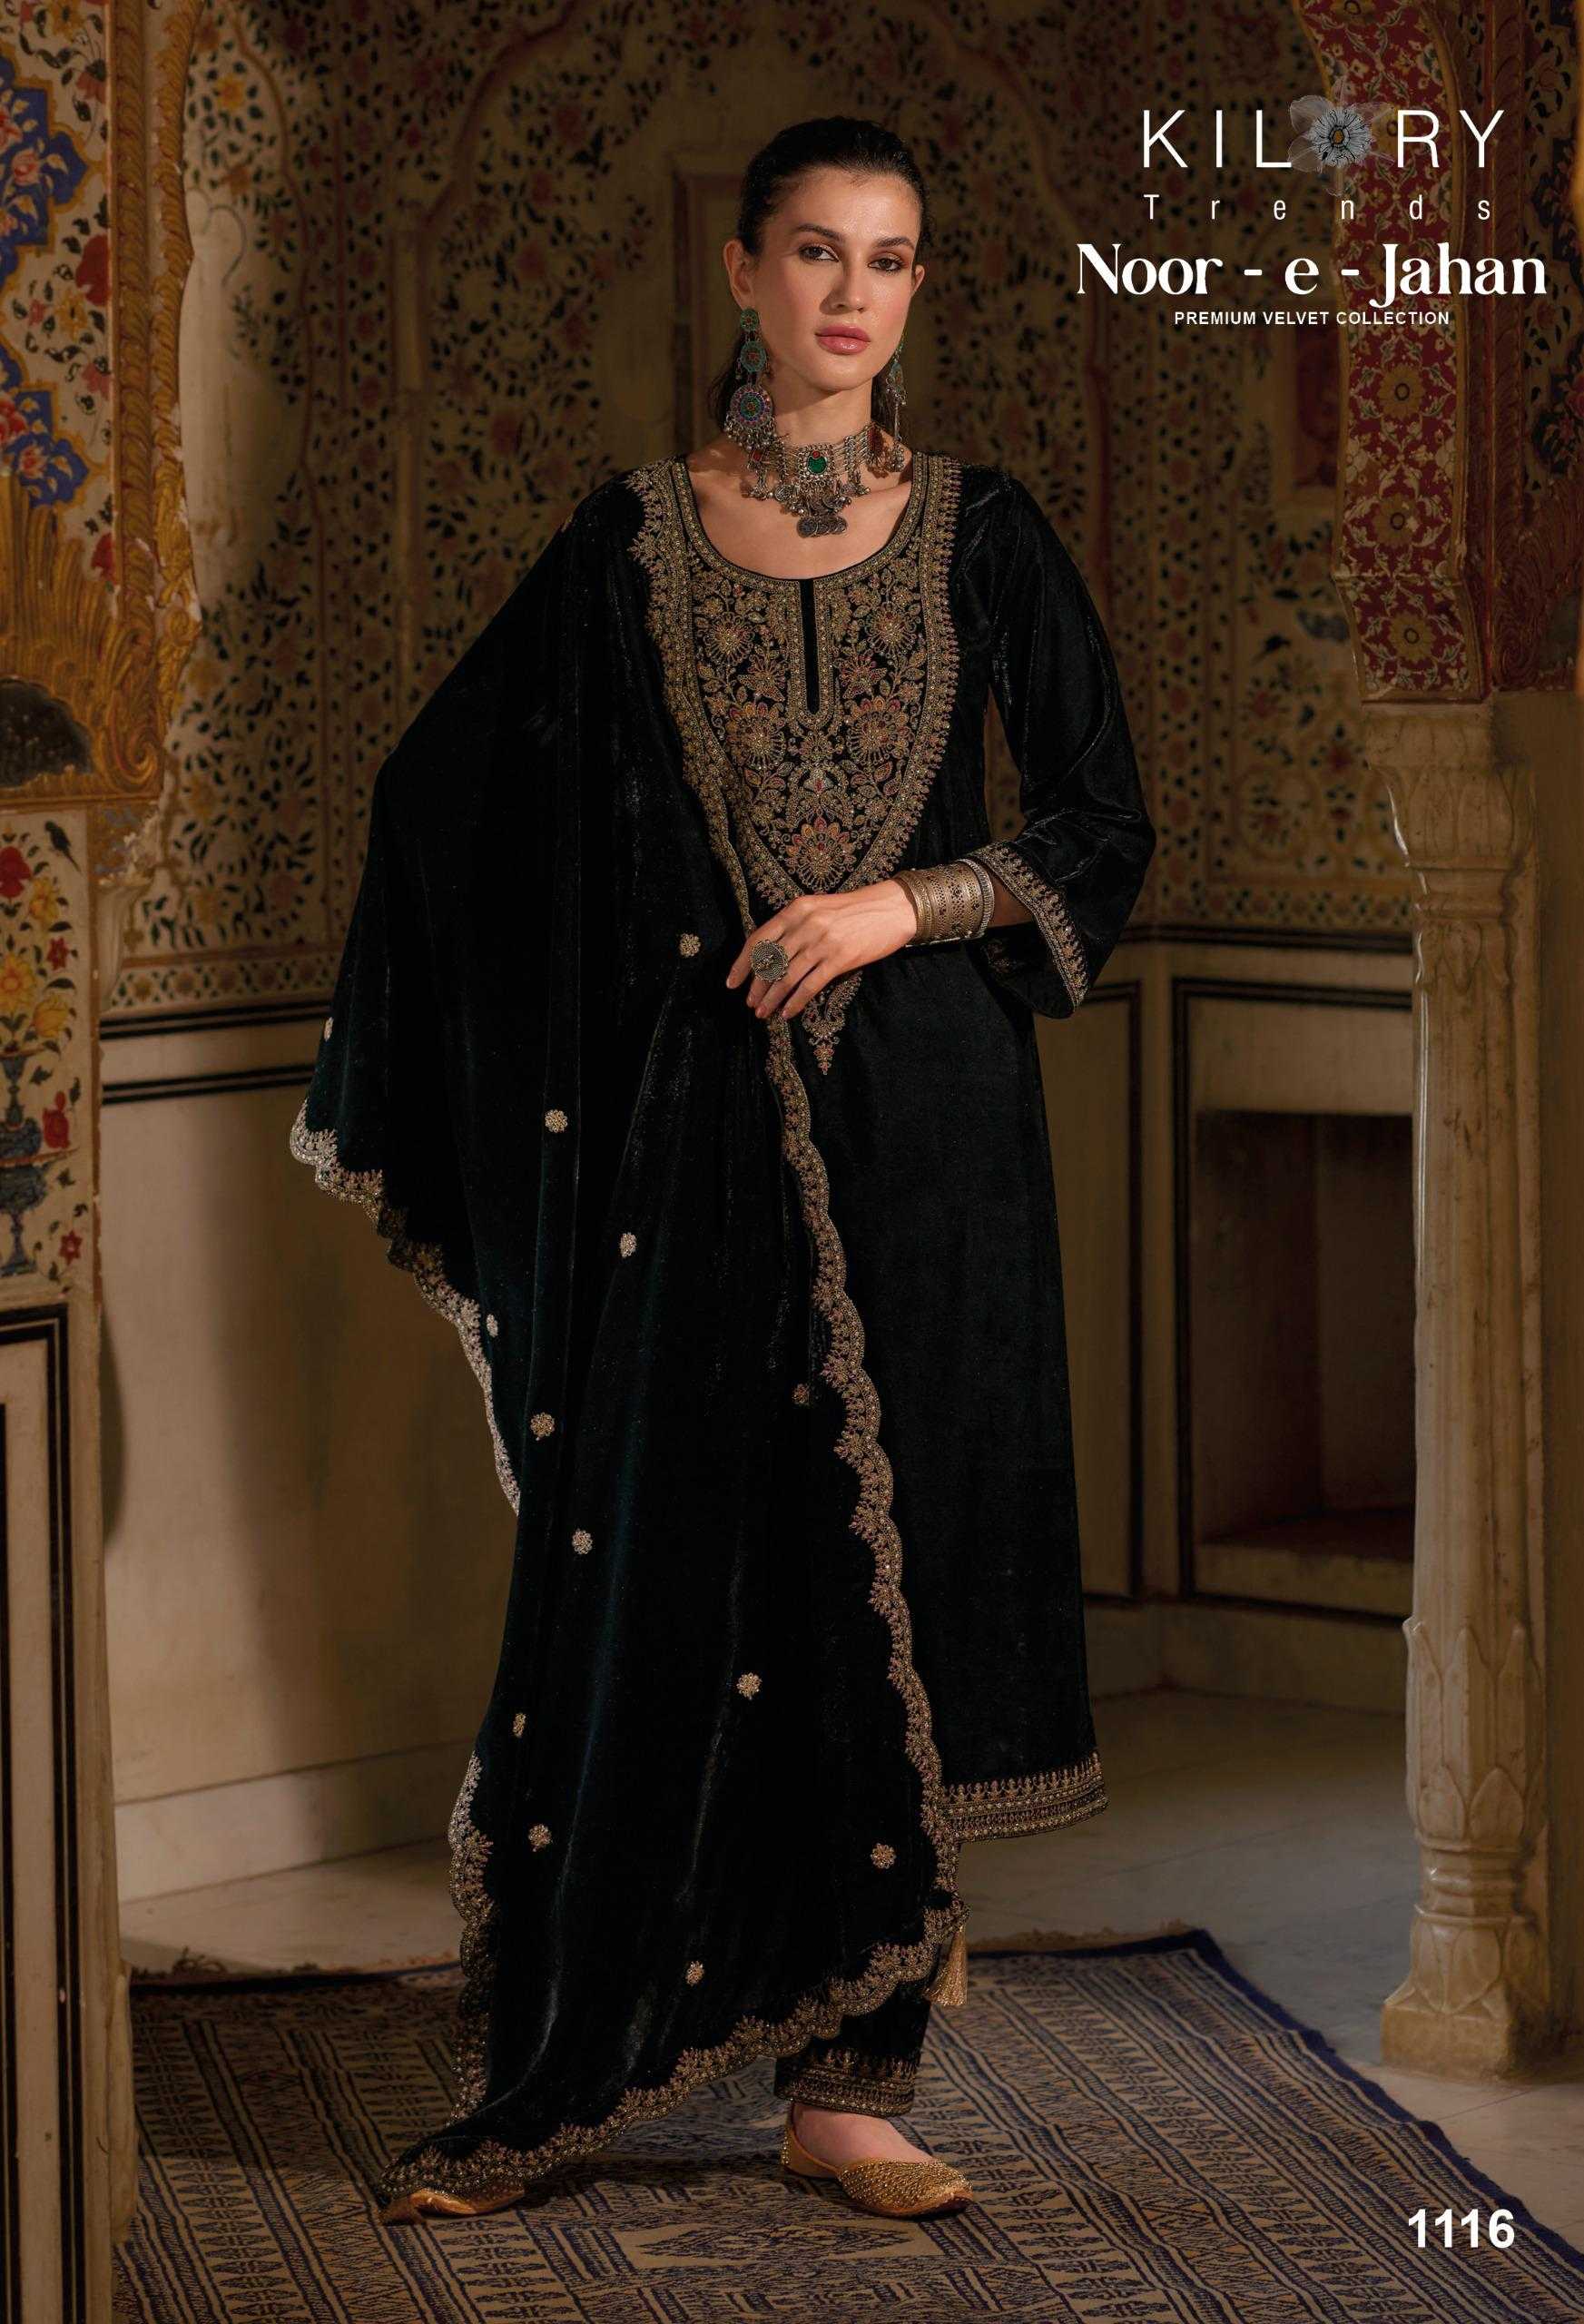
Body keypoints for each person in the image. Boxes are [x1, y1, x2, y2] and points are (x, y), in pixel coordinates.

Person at [289, 113, 1155, 2227]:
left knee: (894, 1574)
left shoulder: (985, 532)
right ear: (747, 274)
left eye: (892, 257)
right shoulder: (629, 544)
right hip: (689, 1145)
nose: (855, 292)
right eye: (818, 251)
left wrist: (896, 906)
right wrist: (629, 992)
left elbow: (1101, 820)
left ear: (916, 288)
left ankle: (855, 2087)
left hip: (932, 1135)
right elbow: (447, 807)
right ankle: (579, 2054)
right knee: (673, 1573)